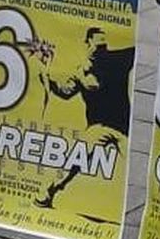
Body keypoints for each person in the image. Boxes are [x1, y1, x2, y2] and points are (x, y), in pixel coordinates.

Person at [34, 26, 135, 209]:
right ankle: (48, 192)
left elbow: (135, 52)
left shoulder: (117, 60)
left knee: (134, 164)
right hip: (97, 127)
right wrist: (46, 73)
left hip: (123, 126)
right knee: (76, 158)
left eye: (104, 47)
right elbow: (65, 92)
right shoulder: (79, 71)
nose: (101, 51)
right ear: (87, 44)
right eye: (98, 46)